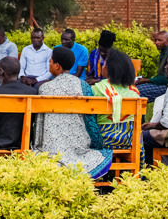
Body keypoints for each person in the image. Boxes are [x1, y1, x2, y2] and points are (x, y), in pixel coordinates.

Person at [31, 46, 111, 179]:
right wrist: (96, 142)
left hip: (50, 146)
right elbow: (89, 119)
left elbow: (40, 121)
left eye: (50, 61)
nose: (49, 64)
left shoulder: (44, 88)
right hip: (77, 144)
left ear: (57, 66)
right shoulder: (83, 86)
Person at [89, 49, 141, 156]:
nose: (102, 67)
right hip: (129, 139)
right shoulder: (134, 91)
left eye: (104, 65)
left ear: (109, 69)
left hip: (103, 139)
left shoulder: (97, 89)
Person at [134, 30, 168, 101]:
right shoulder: (164, 51)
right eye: (155, 40)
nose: (156, 42)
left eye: (160, 40)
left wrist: (146, 80)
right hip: (163, 83)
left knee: (137, 92)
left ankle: (136, 110)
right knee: (134, 88)